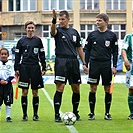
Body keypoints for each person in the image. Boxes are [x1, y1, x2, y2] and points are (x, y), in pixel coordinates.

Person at [51, 10, 87, 122]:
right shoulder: (58, 31)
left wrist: (84, 63)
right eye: (59, 19)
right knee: (60, 87)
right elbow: (52, 32)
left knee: (76, 88)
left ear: (68, 19)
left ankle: (75, 112)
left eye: (62, 19)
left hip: (73, 62)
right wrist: (53, 20)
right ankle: (57, 114)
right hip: (61, 61)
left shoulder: (74, 32)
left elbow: (79, 48)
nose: (61, 21)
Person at [84, 13, 118, 120]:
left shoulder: (112, 35)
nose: (97, 22)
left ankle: (107, 113)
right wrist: (86, 64)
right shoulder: (92, 35)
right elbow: (87, 50)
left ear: (106, 22)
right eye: (97, 20)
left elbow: (115, 52)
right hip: (94, 64)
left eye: (99, 21)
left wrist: (114, 66)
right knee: (93, 88)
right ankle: (92, 113)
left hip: (106, 64)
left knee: (107, 89)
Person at [14, 21, 46, 121]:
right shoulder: (21, 41)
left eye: (32, 28)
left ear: (34, 29)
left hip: (35, 67)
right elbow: (17, 56)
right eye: (29, 28)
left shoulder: (38, 41)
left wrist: (44, 67)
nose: (30, 29)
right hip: (24, 67)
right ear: (25, 29)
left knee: (35, 92)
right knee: (24, 92)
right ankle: (24, 114)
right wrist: (16, 68)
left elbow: (42, 55)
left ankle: (35, 114)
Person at [0, 48, 15, 122]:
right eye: (2, 54)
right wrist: (0, 81)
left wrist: (7, 81)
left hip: (7, 85)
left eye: (5, 54)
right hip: (0, 85)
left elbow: (12, 75)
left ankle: (8, 116)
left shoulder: (10, 64)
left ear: (8, 55)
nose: (3, 56)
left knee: (8, 101)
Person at [121, 32, 133, 120]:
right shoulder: (129, 37)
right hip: (131, 66)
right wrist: (126, 60)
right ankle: (132, 113)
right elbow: (123, 49)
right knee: (132, 89)